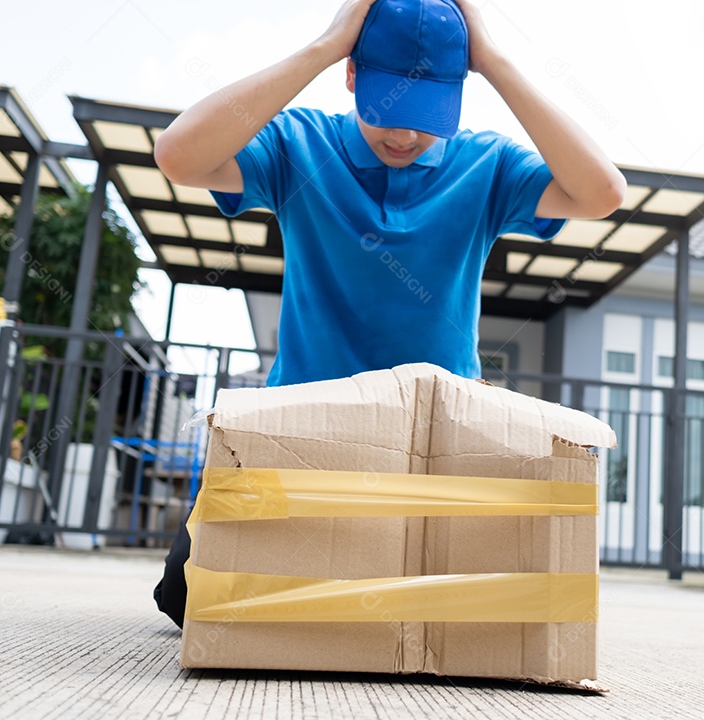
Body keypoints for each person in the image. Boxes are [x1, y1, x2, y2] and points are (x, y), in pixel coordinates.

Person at [152, 0, 625, 627]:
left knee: (446, 611)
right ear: (352, 76)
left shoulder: (486, 164)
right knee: (187, 596)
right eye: (387, 111)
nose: (404, 135)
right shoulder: (299, 144)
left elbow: (602, 194)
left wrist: (497, 62)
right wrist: (324, 45)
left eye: (426, 115)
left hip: (433, 442)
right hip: (301, 427)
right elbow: (178, 156)